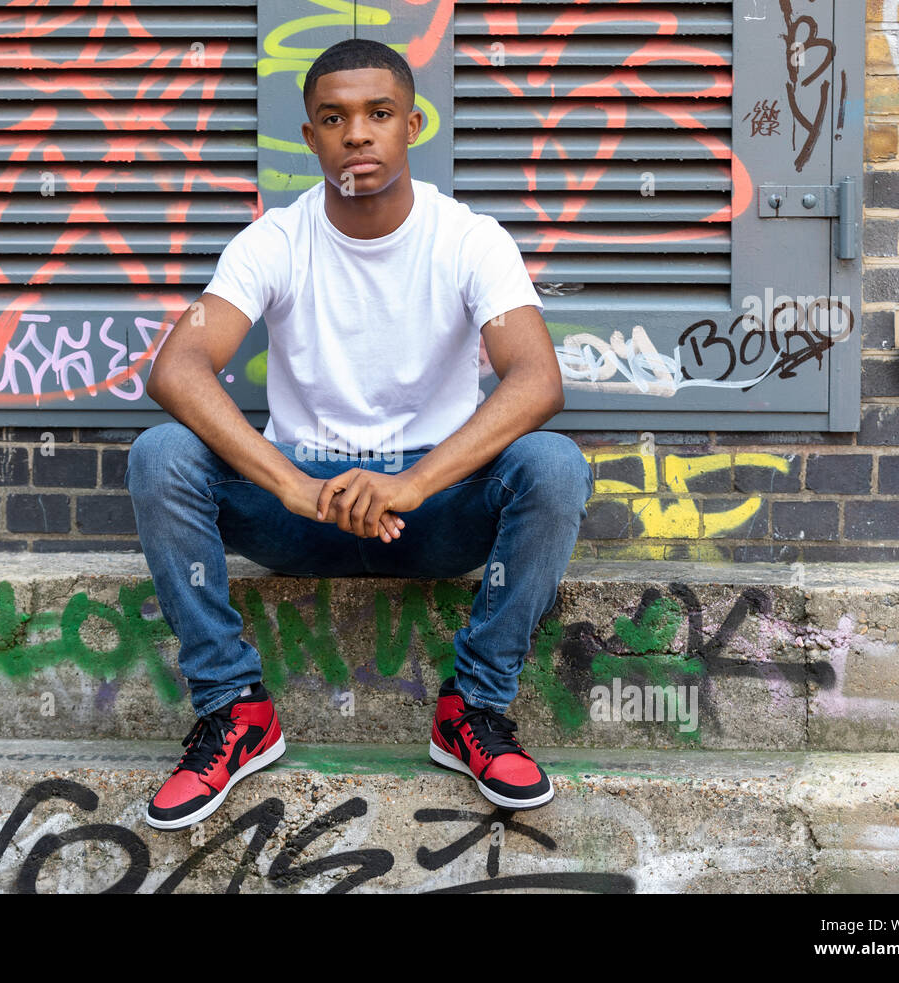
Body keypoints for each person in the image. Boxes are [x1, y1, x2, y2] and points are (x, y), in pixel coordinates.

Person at [126, 38, 594, 831]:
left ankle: (472, 708)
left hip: (432, 508)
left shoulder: (467, 238)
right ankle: (236, 710)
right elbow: (178, 369)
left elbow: (536, 380)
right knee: (160, 454)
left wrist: (412, 482)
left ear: (413, 124)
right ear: (310, 137)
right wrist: (290, 482)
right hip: (299, 506)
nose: (357, 135)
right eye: (334, 118)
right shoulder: (274, 240)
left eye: (379, 114)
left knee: (552, 465)